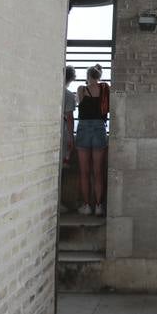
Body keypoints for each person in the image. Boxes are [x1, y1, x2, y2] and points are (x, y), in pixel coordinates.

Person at [74, 64, 110, 216]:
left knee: (84, 171)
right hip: (99, 128)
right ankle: (99, 205)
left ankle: (87, 206)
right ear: (99, 76)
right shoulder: (103, 89)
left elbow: (77, 103)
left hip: (83, 129)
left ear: (88, 76)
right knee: (98, 171)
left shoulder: (81, 89)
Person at [59, 66, 76, 214]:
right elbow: (69, 118)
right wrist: (71, 136)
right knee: (61, 170)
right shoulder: (69, 96)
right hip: (63, 133)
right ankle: (57, 202)